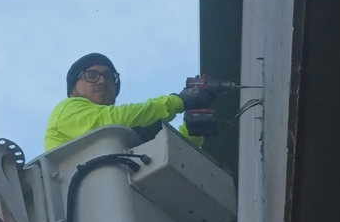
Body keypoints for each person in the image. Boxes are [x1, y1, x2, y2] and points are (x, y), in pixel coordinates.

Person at [44, 53, 215, 151]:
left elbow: (169, 157)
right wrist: (178, 101)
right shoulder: (66, 109)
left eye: (109, 77)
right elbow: (111, 120)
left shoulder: (125, 135)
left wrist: (192, 129)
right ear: (73, 91)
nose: (102, 81)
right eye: (91, 75)